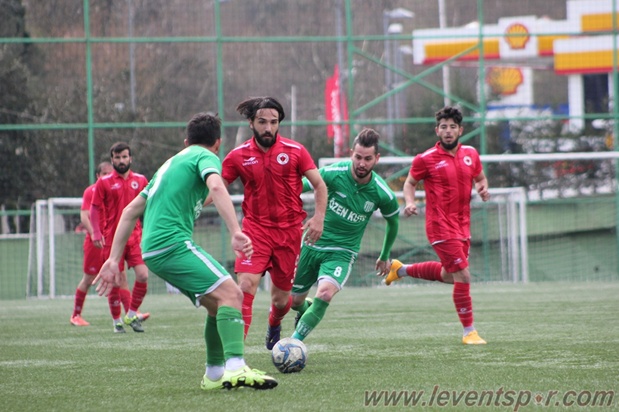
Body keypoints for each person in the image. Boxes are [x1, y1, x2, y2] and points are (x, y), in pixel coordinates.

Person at [94, 112, 277, 390]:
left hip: (152, 250)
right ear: (218, 143)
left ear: (185, 142)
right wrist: (235, 231)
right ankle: (236, 367)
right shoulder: (205, 156)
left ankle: (214, 375)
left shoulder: (169, 165)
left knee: (217, 304)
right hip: (171, 244)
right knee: (233, 294)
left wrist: (112, 259)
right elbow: (216, 186)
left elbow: (130, 211)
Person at [221, 96, 327, 349]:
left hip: (289, 234)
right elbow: (216, 189)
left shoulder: (295, 151)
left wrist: (318, 217)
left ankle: (275, 321)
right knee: (245, 286)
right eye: (262, 122)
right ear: (251, 123)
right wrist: (189, 202)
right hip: (254, 231)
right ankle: (235, 357)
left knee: (281, 301)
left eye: (273, 122)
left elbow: (319, 185)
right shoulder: (237, 156)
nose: (268, 128)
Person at [383, 106, 490, 345]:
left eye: (453, 127)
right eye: (444, 127)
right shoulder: (426, 158)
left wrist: (483, 188)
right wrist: (410, 202)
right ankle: (469, 332)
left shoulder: (471, 154)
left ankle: (400, 270)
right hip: (440, 226)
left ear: (460, 130)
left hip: (463, 226)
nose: (448, 131)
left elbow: (481, 178)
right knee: (463, 275)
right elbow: (410, 183)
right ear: (437, 131)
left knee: (450, 276)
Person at [290, 128, 400, 342]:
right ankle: (305, 309)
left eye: (368, 159)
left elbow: (393, 222)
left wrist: (385, 255)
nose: (361, 163)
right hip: (312, 244)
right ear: (351, 153)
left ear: (377, 158)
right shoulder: (334, 173)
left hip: (343, 251)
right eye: (358, 157)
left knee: (324, 294)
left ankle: (293, 344)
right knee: (294, 301)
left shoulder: (382, 193)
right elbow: (300, 186)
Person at [70, 162, 149, 326]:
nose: (108, 176)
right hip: (95, 242)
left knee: (120, 277)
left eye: (109, 173)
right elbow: (85, 215)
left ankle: (131, 313)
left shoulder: (116, 187)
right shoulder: (91, 191)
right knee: (89, 278)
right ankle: (76, 315)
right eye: (104, 173)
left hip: (112, 239)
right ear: (98, 176)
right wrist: (95, 234)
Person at [91, 142, 150, 333]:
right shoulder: (104, 182)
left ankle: (131, 313)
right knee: (115, 279)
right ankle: (116, 321)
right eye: (117, 157)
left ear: (130, 158)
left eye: (124, 157)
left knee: (143, 275)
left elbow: (149, 206)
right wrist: (96, 232)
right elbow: (95, 208)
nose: (121, 160)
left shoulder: (141, 180)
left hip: (135, 237)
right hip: (112, 239)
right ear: (112, 160)